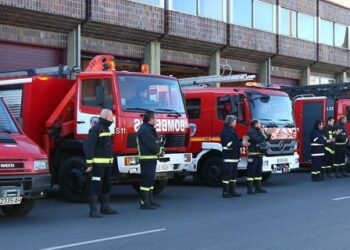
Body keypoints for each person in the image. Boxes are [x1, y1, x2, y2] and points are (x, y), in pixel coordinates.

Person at [84, 109, 118, 218]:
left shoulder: (106, 128)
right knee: (96, 186)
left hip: (107, 165)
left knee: (106, 185)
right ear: (106, 117)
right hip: (98, 166)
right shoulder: (95, 129)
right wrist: (89, 164)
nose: (112, 119)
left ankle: (105, 207)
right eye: (111, 117)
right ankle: (93, 211)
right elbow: (89, 147)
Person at [137, 111, 164, 209]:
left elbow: (156, 142)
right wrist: (160, 152)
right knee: (146, 181)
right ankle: (144, 203)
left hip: (151, 159)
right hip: (146, 159)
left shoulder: (149, 129)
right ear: (151, 119)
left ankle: (150, 200)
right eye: (155, 118)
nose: (156, 120)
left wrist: (161, 149)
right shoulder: (145, 130)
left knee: (150, 181)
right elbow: (152, 145)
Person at [220, 115, 249, 198]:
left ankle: (232, 191)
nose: (235, 123)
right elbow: (229, 144)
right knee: (227, 175)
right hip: (229, 157)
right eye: (235, 121)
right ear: (231, 122)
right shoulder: (226, 131)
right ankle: (225, 192)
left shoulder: (231, 130)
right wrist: (241, 143)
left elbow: (235, 141)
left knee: (233, 175)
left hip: (233, 156)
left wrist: (242, 140)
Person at [245, 120, 269, 194]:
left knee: (258, 173)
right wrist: (261, 134)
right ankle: (249, 189)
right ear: (255, 124)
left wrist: (263, 133)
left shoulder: (259, 131)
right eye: (259, 123)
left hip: (259, 155)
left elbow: (266, 138)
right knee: (251, 173)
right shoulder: (251, 131)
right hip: (253, 155)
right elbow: (256, 139)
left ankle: (258, 188)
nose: (261, 124)